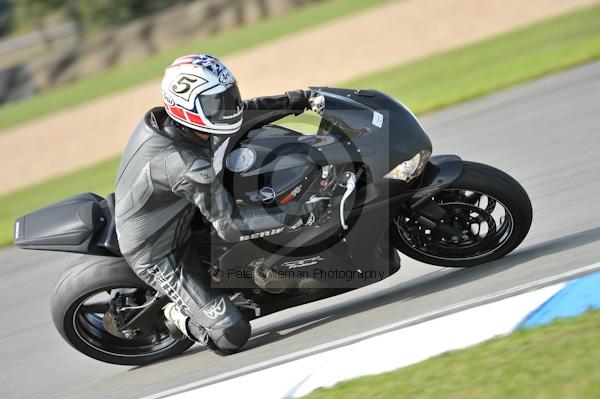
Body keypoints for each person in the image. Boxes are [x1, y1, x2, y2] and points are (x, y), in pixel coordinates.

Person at [114, 54, 326, 354]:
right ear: (186, 106)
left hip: (180, 211)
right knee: (231, 335)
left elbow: (247, 112)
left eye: (228, 96)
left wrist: (301, 99)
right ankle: (175, 314)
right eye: (217, 103)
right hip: (159, 250)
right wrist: (299, 215)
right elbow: (228, 226)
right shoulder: (184, 164)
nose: (228, 108)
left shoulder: (190, 126)